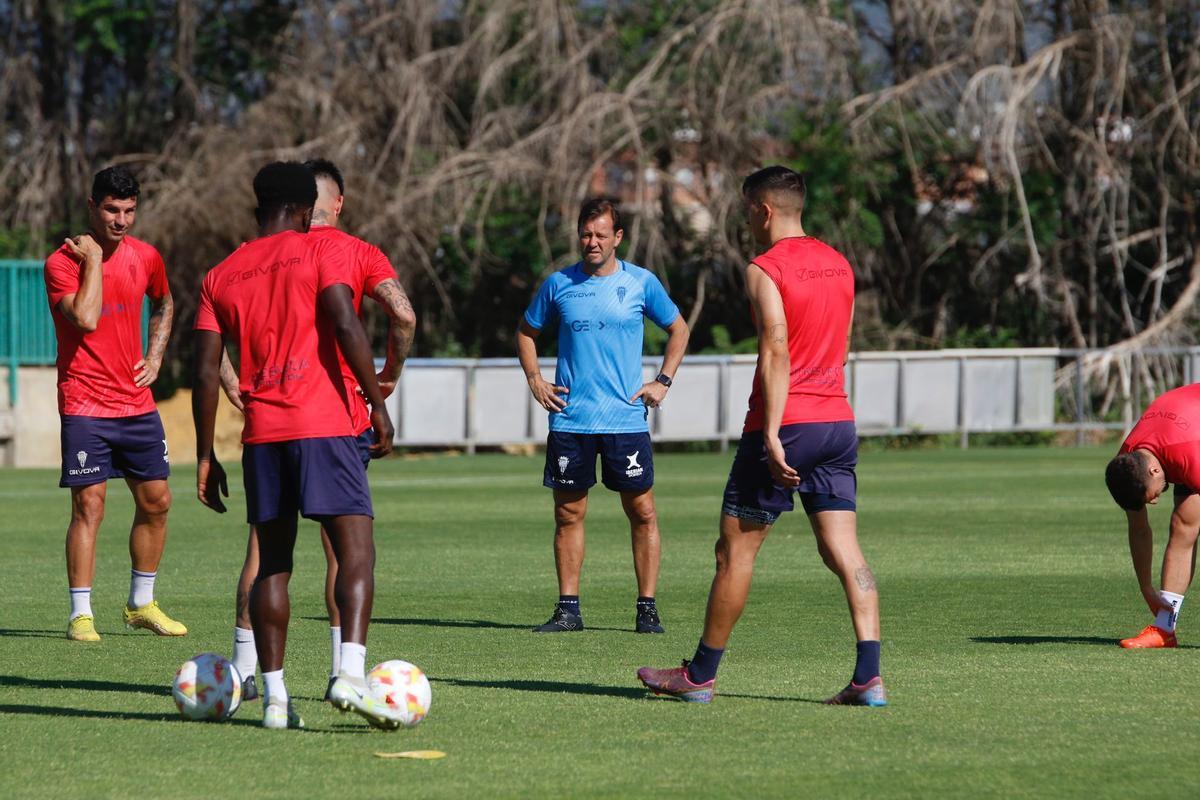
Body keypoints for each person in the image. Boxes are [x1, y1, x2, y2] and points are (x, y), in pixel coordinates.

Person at [637, 166, 885, 706]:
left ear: (764, 211)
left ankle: (699, 675)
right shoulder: (840, 264)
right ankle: (870, 675)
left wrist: (771, 432)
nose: (746, 219)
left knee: (735, 552)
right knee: (846, 549)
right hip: (836, 421)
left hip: (786, 423)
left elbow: (776, 348)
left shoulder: (765, 268)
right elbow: (838, 344)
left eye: (747, 209)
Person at [193, 161, 399, 730]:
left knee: (273, 568)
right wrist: (378, 405)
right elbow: (344, 321)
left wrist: (206, 455)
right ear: (307, 210)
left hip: (263, 435)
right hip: (327, 424)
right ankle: (351, 678)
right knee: (356, 552)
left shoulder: (220, 275)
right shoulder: (319, 250)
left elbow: (207, 372)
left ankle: (277, 702)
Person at [517, 197, 689, 634]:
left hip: (625, 420)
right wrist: (536, 379)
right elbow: (526, 332)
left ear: (618, 237)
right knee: (568, 514)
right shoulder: (558, 284)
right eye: (585, 233)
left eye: (600, 234)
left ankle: (647, 608)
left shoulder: (641, 283)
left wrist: (662, 381)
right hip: (571, 420)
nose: (591, 242)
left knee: (643, 512)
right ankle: (568, 609)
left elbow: (678, 328)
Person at [44, 165, 185, 642]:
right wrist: (92, 262)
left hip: (136, 402)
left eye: (128, 210)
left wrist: (156, 356)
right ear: (91, 207)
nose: (121, 219)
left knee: (158, 501)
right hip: (84, 401)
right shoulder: (62, 261)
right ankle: (80, 614)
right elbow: (84, 318)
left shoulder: (147, 257)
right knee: (90, 505)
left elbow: (165, 304)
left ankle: (141, 604)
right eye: (111, 209)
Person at [1104, 383, 1200, 648]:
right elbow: (1139, 530)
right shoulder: (1127, 465)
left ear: (1155, 473)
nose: (1155, 501)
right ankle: (1164, 629)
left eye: (1152, 496)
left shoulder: (1192, 457)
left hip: (1191, 439)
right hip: (1185, 433)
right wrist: (1146, 587)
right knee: (1183, 524)